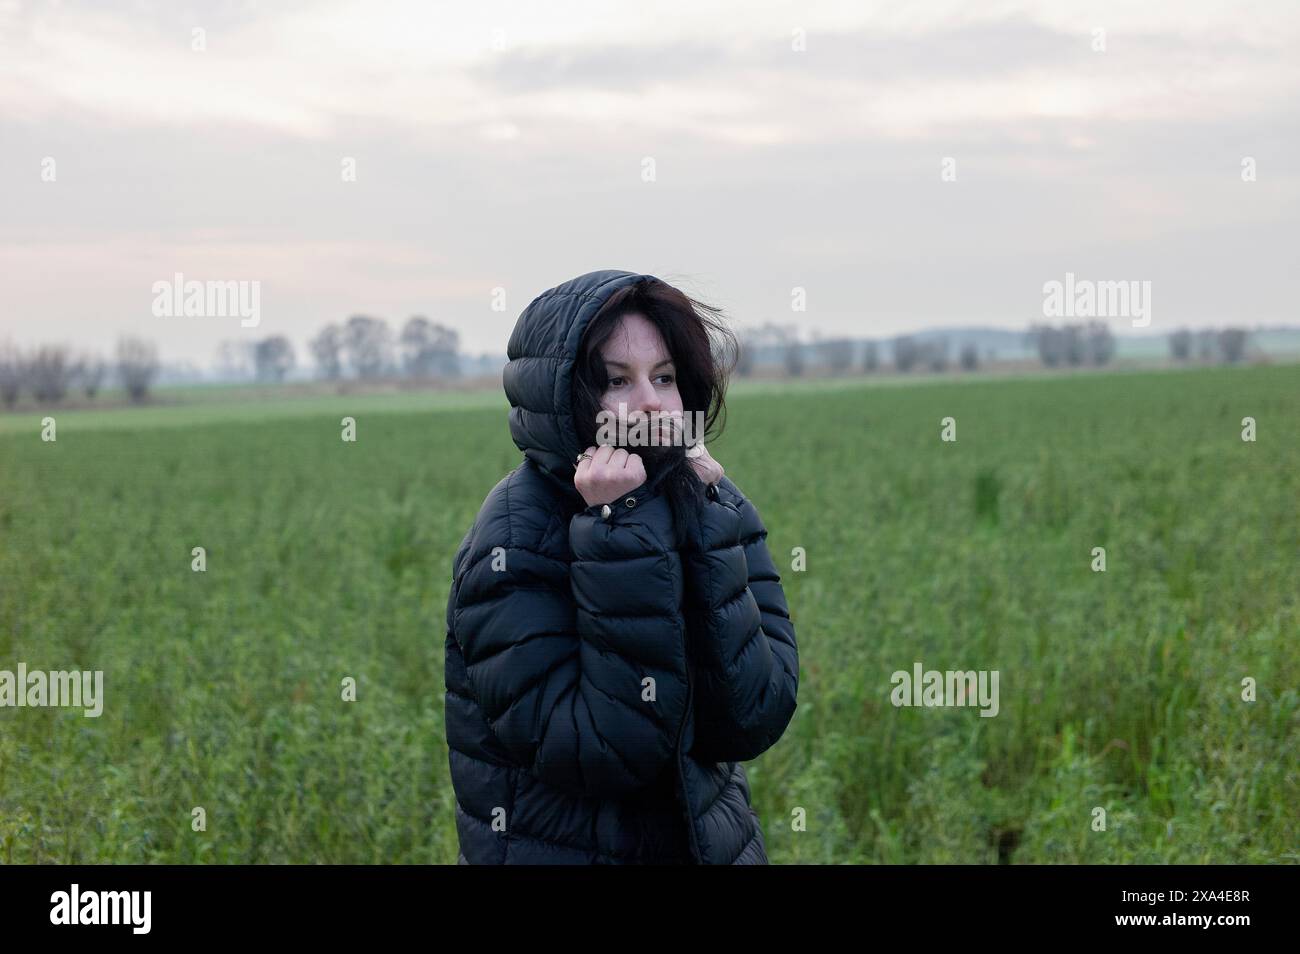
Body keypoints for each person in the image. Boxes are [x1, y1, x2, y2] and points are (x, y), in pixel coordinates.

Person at [444, 268, 799, 864]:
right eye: (616, 381)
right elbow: (601, 750)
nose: (650, 403)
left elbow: (753, 716)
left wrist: (708, 524)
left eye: (665, 377)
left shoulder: (711, 502)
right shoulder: (513, 537)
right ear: (563, 398)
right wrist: (618, 531)